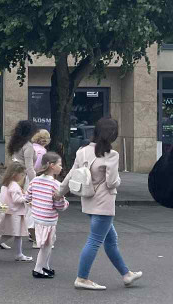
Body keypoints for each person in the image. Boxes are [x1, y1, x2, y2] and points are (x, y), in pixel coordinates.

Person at [60, 118, 143, 291]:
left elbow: (71, 175)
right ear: (112, 135)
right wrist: (119, 179)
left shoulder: (82, 151)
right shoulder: (111, 155)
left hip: (88, 200)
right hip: (104, 203)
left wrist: (59, 192)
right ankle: (82, 278)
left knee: (110, 240)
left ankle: (126, 274)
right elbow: (112, 182)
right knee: (95, 241)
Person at [28, 152, 68, 279]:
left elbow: (28, 196)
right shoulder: (56, 184)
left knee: (49, 242)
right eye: (59, 164)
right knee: (46, 245)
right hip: (49, 219)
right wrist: (65, 203)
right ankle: (38, 269)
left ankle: (46, 266)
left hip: (38, 217)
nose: (61, 167)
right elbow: (60, 205)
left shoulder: (35, 180)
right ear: (51, 165)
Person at [0, 162, 33, 262]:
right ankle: (17, 253)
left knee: (10, 233)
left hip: (8, 211)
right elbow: (16, 199)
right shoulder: (14, 185)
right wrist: (27, 198)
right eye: (22, 174)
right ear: (15, 174)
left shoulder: (6, 184)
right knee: (16, 234)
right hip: (15, 213)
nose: (23, 176)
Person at [7, 121, 38, 190]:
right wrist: (35, 183)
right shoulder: (28, 146)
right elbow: (29, 168)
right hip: (23, 178)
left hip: (13, 175)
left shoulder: (15, 143)